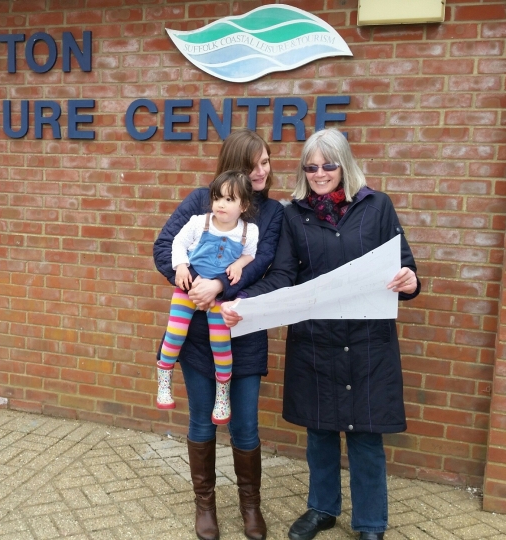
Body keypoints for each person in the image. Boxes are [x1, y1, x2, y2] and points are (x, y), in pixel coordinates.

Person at [221, 128, 421, 540]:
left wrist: (410, 282)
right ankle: (323, 509)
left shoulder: (377, 206)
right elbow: (283, 277)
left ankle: (370, 523)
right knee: (321, 430)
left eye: (328, 164)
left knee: (366, 435)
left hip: (368, 342)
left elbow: (405, 266)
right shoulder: (295, 216)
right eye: (311, 167)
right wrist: (245, 304)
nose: (319, 173)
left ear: (344, 164)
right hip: (317, 339)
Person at [153, 129, 284, 540]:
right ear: (235, 165)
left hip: (242, 332)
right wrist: (197, 285)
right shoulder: (200, 202)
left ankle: (250, 507)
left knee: (245, 426)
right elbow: (164, 248)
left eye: (266, 162)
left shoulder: (272, 215)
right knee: (201, 422)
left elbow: (269, 267)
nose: (262, 170)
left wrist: (222, 289)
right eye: (254, 163)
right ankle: (205, 506)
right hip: (195, 333)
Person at [157, 170, 260, 428]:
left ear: (243, 205)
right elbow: (177, 243)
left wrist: (240, 264)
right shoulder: (199, 222)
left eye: (229, 199)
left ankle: (222, 394)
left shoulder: (249, 231)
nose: (221, 204)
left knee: (221, 343)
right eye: (217, 198)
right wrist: (181, 267)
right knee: (175, 334)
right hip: (188, 289)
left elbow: (251, 254)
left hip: (220, 297)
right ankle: (164, 377)